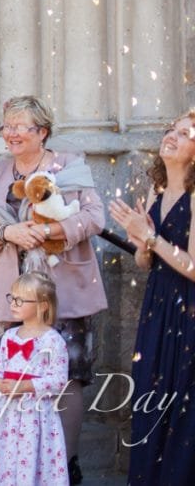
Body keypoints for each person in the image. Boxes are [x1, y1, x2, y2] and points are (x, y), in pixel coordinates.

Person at [0, 95, 106, 485]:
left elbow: (95, 217)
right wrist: (6, 232)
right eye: (6, 126)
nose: (10, 133)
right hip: (14, 292)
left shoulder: (69, 166)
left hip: (65, 289)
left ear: (42, 132)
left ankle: (67, 461)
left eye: (19, 126)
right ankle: (19, 461)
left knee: (67, 377)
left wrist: (48, 231)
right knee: (16, 372)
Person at [109, 111, 195, 484]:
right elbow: (145, 263)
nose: (171, 137)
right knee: (153, 395)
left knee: (183, 405)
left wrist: (151, 237)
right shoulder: (157, 193)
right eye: (170, 130)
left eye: (184, 133)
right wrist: (139, 237)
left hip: (188, 312)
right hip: (158, 308)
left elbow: (193, 267)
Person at [0, 273, 69, 486]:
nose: (13, 304)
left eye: (20, 300)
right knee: (3, 457)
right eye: (12, 298)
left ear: (43, 305)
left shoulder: (53, 341)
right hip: (5, 413)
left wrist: (25, 386)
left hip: (35, 417)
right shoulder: (9, 336)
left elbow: (59, 380)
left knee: (29, 456)